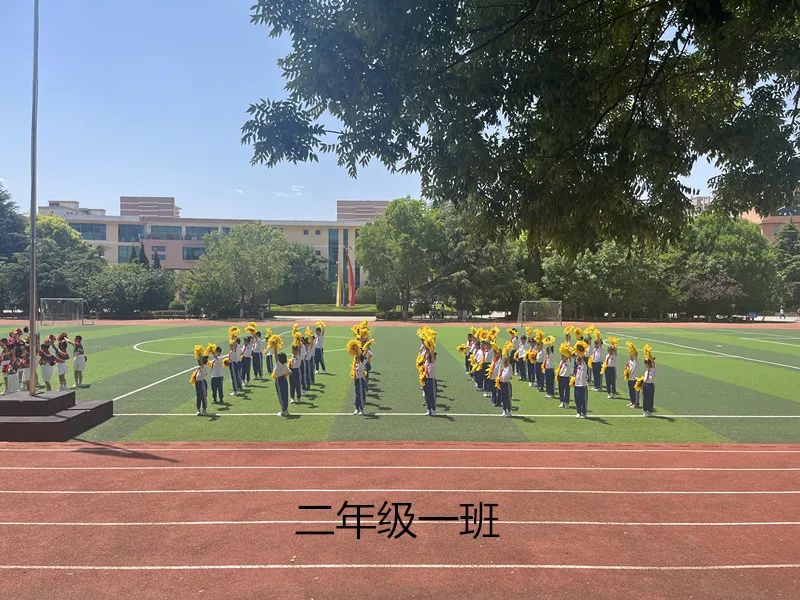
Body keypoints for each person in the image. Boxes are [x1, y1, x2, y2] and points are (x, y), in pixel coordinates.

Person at [272, 352, 290, 417]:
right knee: (285, 394)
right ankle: (285, 409)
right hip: (284, 380)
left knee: (281, 395)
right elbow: (290, 372)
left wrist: (275, 347)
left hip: (279, 380)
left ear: (280, 359)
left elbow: (276, 356)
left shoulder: (279, 364)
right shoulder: (285, 365)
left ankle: (283, 411)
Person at [557, 343, 573, 409]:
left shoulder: (568, 362)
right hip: (560, 377)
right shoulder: (561, 362)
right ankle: (562, 402)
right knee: (561, 390)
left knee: (567, 391)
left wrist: (567, 350)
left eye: (563, 356)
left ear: (566, 357)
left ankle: (566, 403)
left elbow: (570, 356)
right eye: (561, 356)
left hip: (566, 378)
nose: (562, 357)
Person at [573, 354, 589, 419]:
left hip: (582, 386)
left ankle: (583, 413)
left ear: (580, 361)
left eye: (576, 360)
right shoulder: (578, 367)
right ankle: (578, 412)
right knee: (577, 400)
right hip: (577, 385)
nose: (576, 362)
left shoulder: (583, 366)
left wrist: (581, 354)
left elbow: (583, 362)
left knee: (583, 400)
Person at [625, 342, 640, 409]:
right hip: (630, 378)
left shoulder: (635, 361)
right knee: (630, 391)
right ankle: (632, 401)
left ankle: (636, 403)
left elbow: (636, 354)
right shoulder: (629, 362)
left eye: (631, 354)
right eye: (630, 354)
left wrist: (632, 348)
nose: (630, 355)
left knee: (634, 391)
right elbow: (626, 369)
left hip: (634, 378)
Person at [423, 351, 437, 416]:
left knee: (432, 396)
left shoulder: (433, 363)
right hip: (426, 380)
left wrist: (431, 350)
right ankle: (428, 409)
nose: (427, 357)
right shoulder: (426, 363)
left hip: (432, 381)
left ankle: (434, 410)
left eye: (429, 357)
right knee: (427, 396)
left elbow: (431, 355)